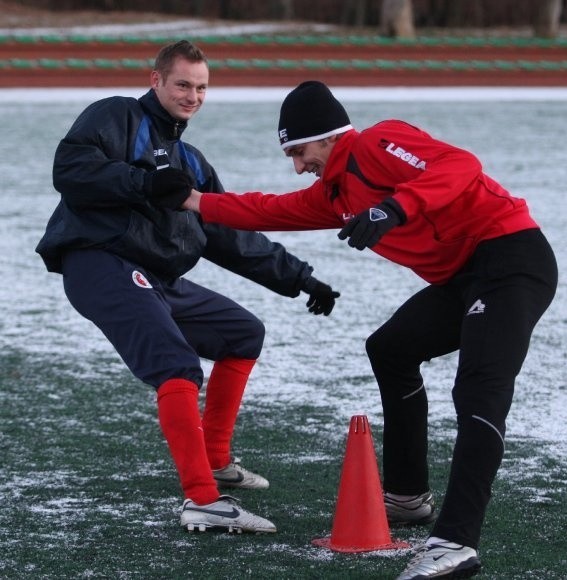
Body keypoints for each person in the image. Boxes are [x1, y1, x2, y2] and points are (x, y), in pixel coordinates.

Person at [184, 81, 558, 577]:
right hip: (463, 277)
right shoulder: (334, 195)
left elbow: (460, 165)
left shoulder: (378, 143)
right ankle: (407, 499)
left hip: (511, 259)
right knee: (391, 348)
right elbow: (265, 209)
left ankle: (455, 541)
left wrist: (393, 207)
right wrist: (190, 199)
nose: (297, 165)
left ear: (328, 136)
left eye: (299, 151)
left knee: (479, 391)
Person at [35, 47, 340, 535]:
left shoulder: (190, 162)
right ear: (156, 80)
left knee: (242, 332)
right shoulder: (116, 114)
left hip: (156, 278)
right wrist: (143, 182)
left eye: (201, 88)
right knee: (175, 363)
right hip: (99, 262)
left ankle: (216, 460)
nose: (192, 96)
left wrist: (300, 277)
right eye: (183, 85)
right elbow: (70, 170)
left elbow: (227, 233)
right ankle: (203, 499)